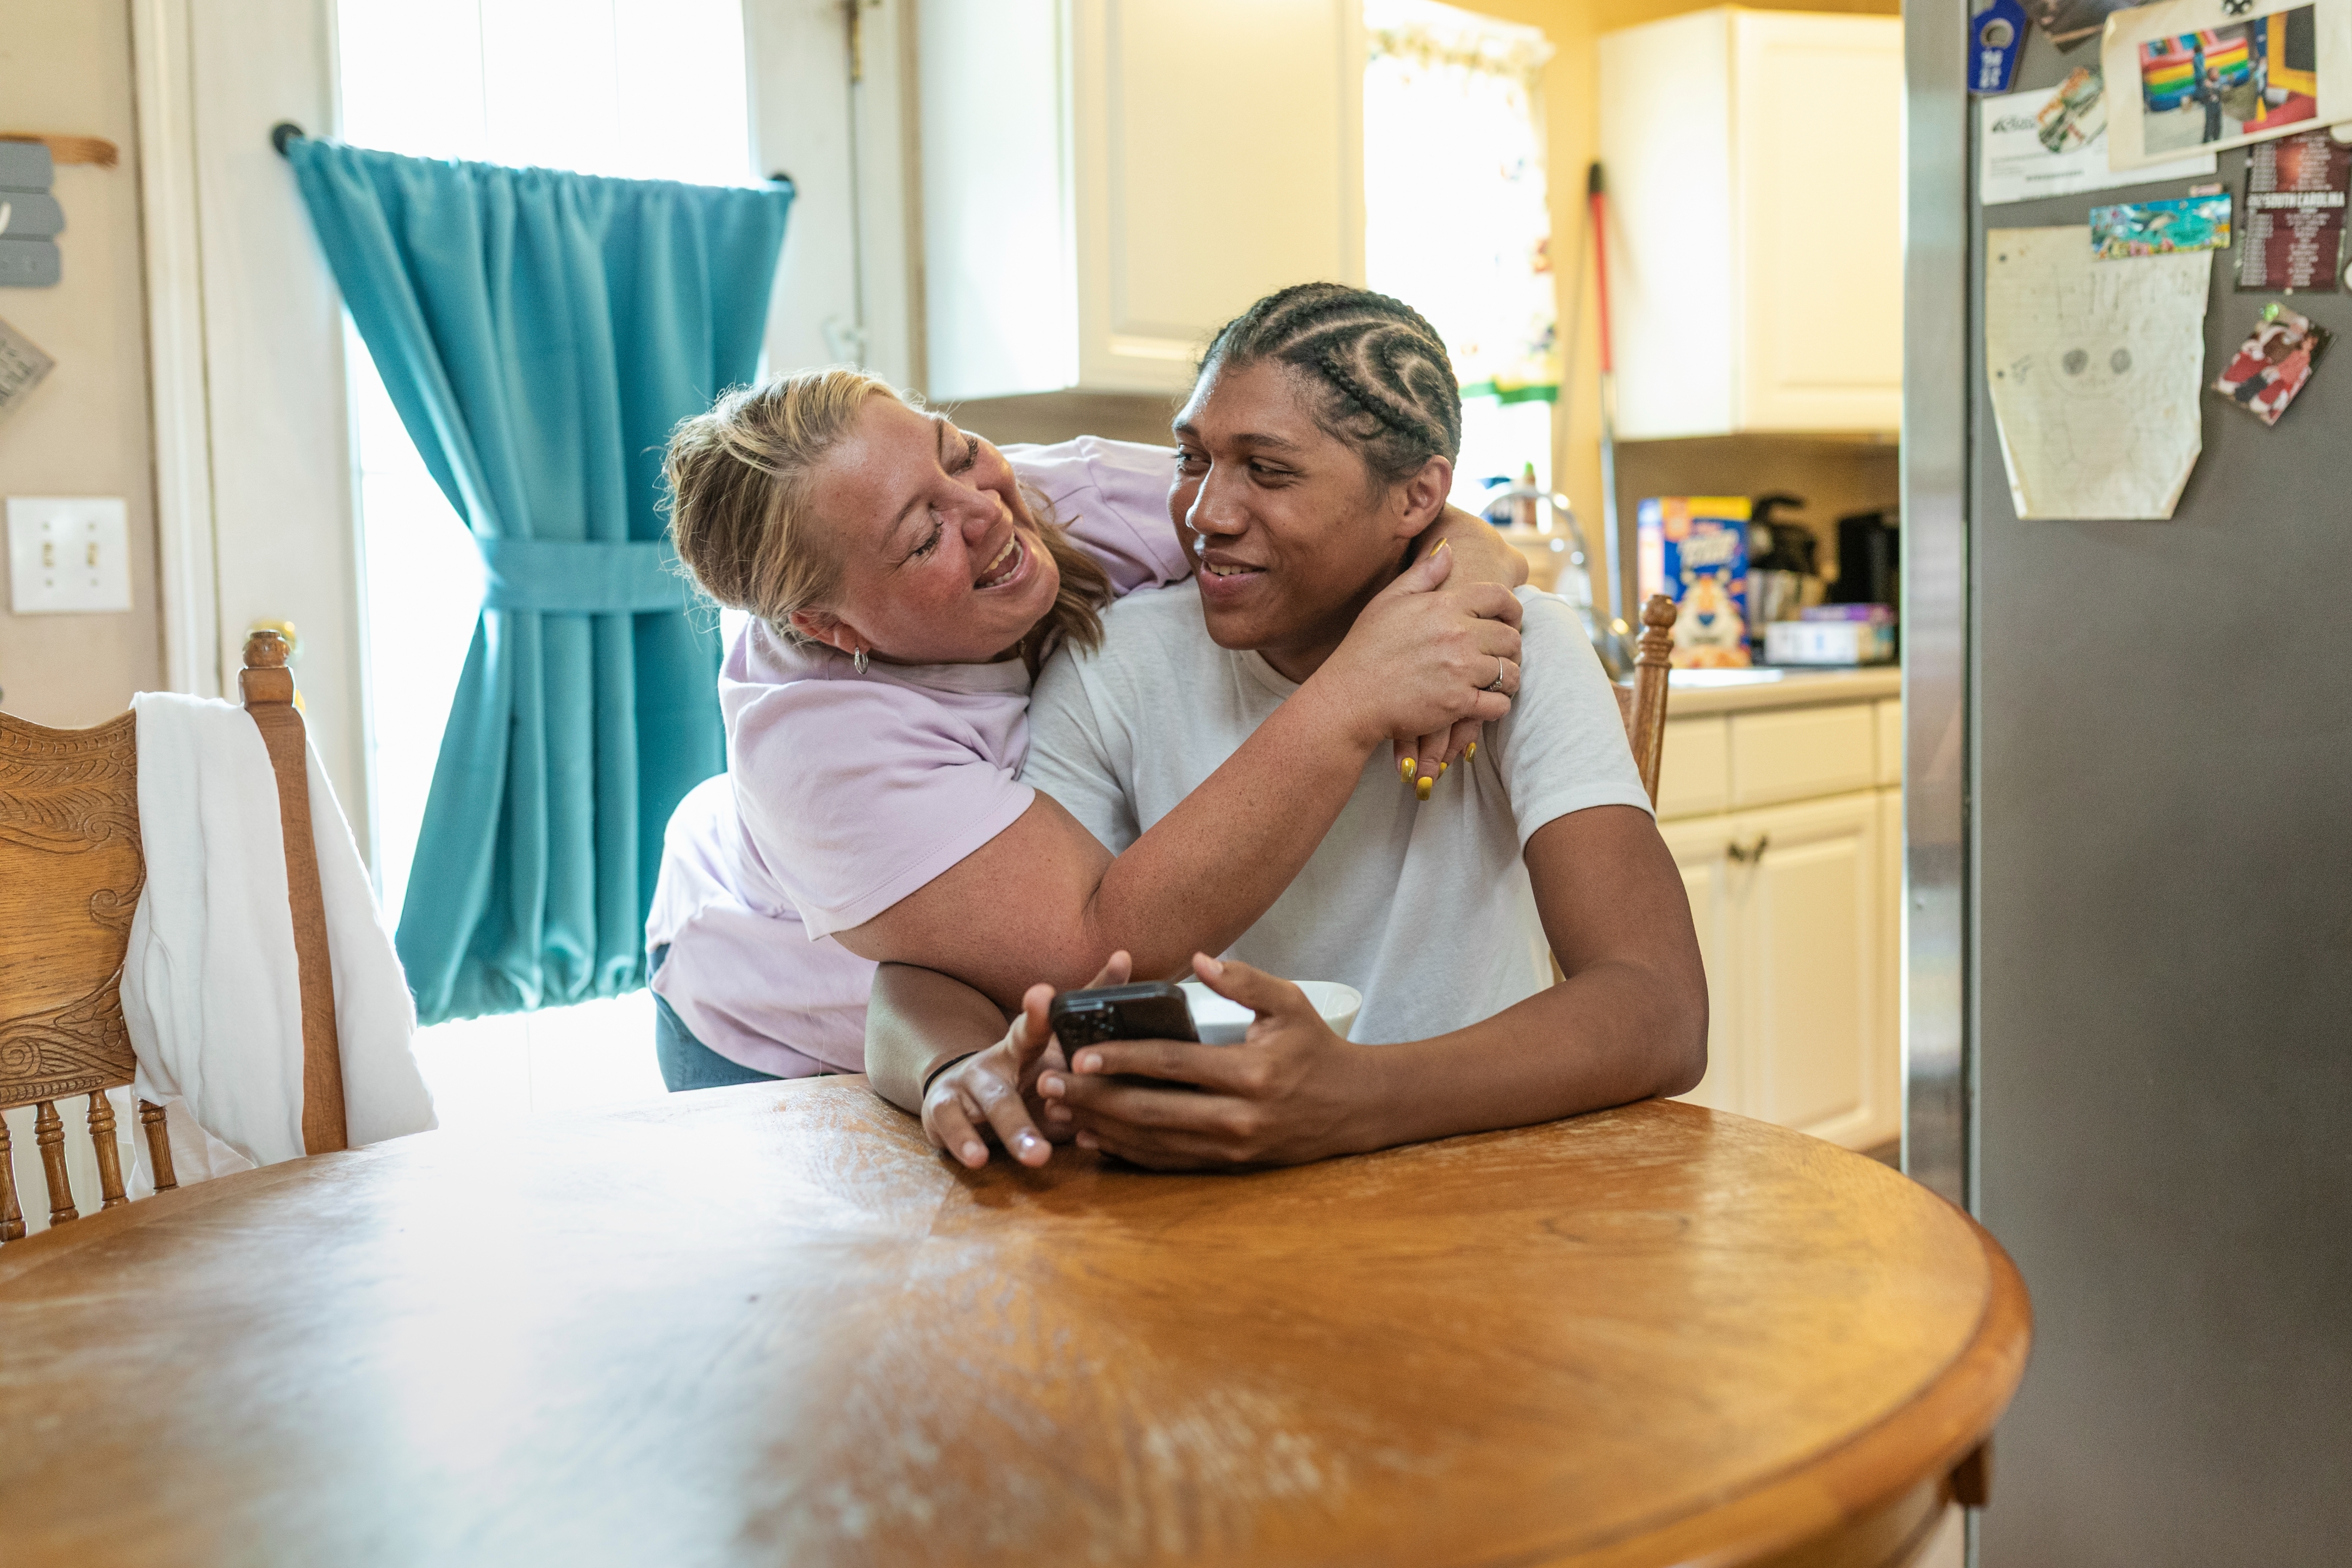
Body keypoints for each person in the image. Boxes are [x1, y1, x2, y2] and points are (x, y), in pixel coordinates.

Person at [867, 284, 1707, 1171]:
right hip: (1183, 1181)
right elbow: (938, 971)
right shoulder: (1114, 662)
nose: (1205, 514)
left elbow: (1658, 1009)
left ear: (1418, 497)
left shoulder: (1516, 648)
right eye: (1191, 460)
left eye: (1268, 471)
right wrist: (953, 1071)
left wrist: (1359, 1094)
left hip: (1460, 1167)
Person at [645, 367, 1532, 1116]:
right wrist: (1356, 693)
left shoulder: (1064, 494)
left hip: (1011, 1016)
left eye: (957, 452)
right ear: (826, 627)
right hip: (785, 1021)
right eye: (923, 538)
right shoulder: (826, 752)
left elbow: (1359, 519)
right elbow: (1096, 949)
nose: (988, 507)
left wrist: (1467, 585)